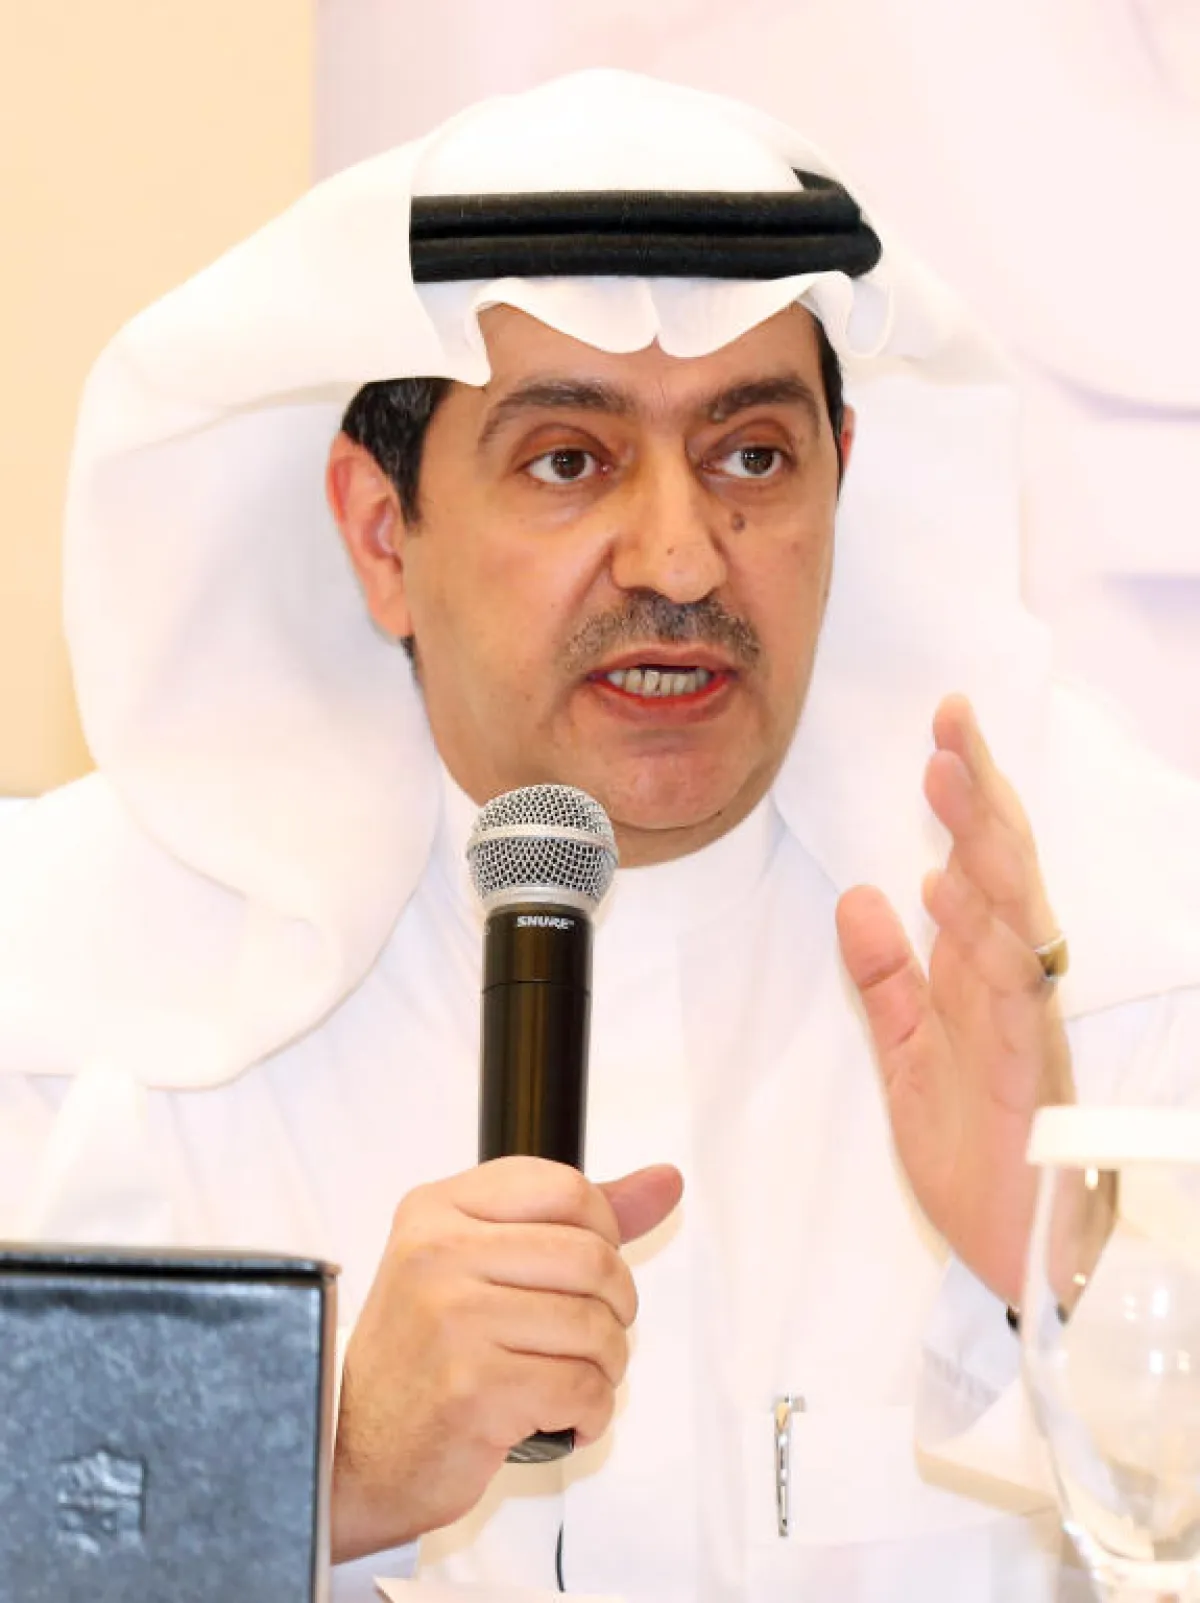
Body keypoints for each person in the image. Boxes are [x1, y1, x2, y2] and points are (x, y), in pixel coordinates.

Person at [2, 70, 1200, 1601]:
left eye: (751, 455)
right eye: (568, 460)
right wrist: (331, 1467)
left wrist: (1065, 1273)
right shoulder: (68, 1022)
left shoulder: (1108, 969)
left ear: (844, 478)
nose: (680, 558)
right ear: (381, 530)